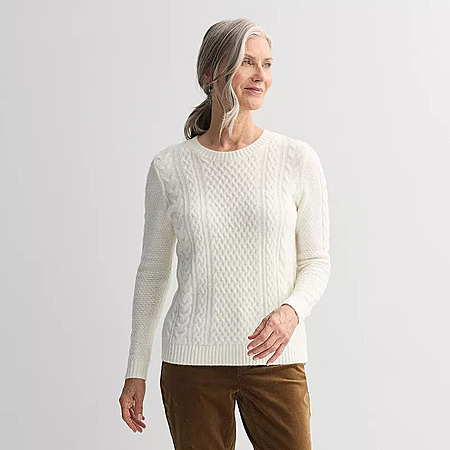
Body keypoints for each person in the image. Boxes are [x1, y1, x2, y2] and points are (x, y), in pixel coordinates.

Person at [119, 18, 331, 449]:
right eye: (246, 62)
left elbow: (315, 261)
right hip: (191, 364)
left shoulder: (296, 159)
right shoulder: (170, 168)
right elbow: (153, 273)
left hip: (276, 360)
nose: (260, 75)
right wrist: (135, 370)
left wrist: (291, 312)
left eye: (267, 64)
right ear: (210, 74)